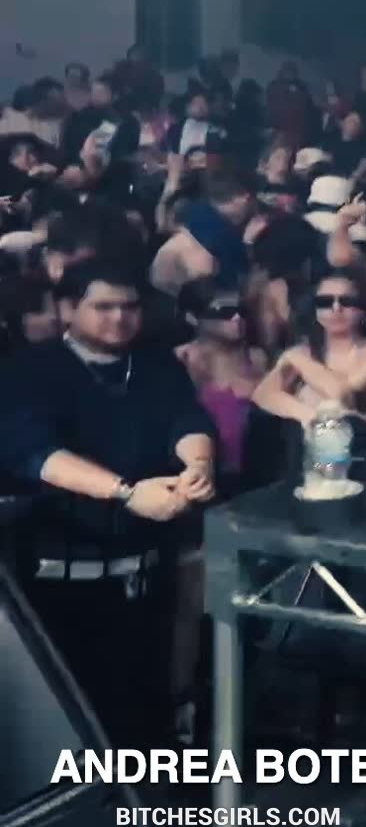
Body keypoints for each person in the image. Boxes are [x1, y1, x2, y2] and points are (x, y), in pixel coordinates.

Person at [0, 259, 217, 747]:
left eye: (129, 307)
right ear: (67, 308)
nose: (119, 318)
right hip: (62, 583)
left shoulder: (156, 364)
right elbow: (35, 455)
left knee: (147, 724)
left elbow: (188, 420)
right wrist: (126, 493)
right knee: (74, 731)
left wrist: (197, 467)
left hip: (148, 578)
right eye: (103, 307)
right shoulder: (28, 370)